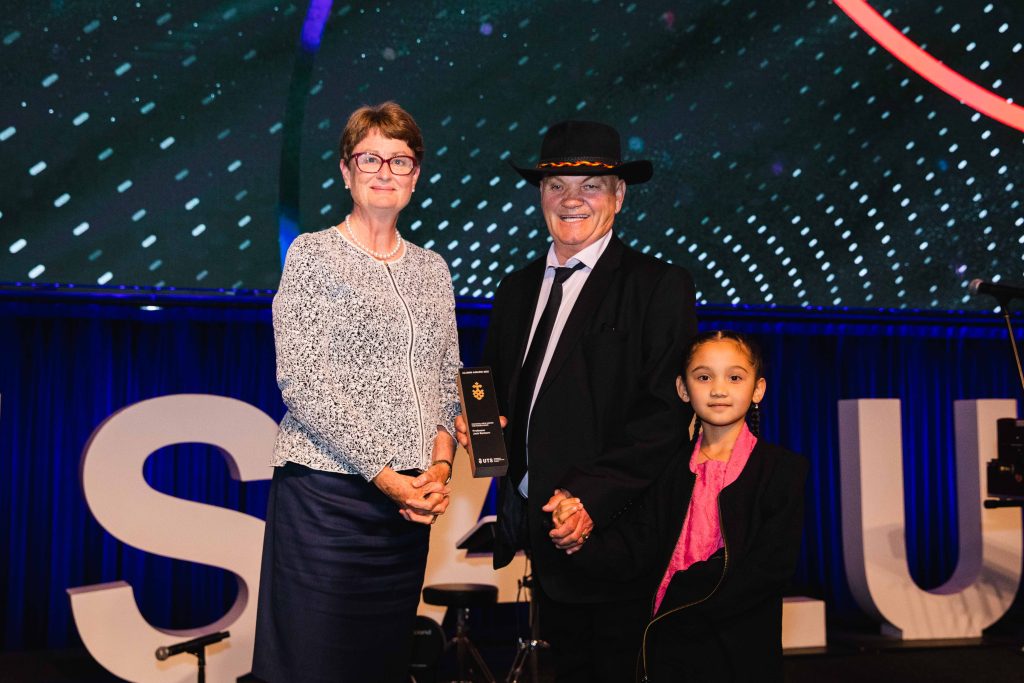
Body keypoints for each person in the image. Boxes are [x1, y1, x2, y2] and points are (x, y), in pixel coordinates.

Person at [456, 120, 698, 682]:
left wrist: (589, 498)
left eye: (590, 186)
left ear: (618, 196)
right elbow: (495, 394)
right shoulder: (515, 290)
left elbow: (665, 412)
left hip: (616, 536)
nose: (570, 200)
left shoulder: (657, 286)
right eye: (556, 184)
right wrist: (479, 422)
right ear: (540, 195)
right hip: (543, 534)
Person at [253, 102, 461, 683]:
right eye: (370, 157)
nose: (385, 171)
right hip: (327, 503)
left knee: (382, 664)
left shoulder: (432, 270)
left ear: (416, 176)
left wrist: (439, 469)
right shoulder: (313, 255)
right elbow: (302, 380)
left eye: (400, 160)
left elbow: (448, 377)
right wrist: (385, 474)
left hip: (408, 510)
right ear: (346, 171)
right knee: (314, 664)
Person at [556, 330, 808, 682]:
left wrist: (685, 595)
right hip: (666, 643)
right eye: (704, 377)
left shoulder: (782, 470)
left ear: (758, 389)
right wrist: (580, 539)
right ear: (683, 389)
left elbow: (770, 567)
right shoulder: (667, 468)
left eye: (735, 377)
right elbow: (636, 548)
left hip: (736, 646)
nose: (719, 389)